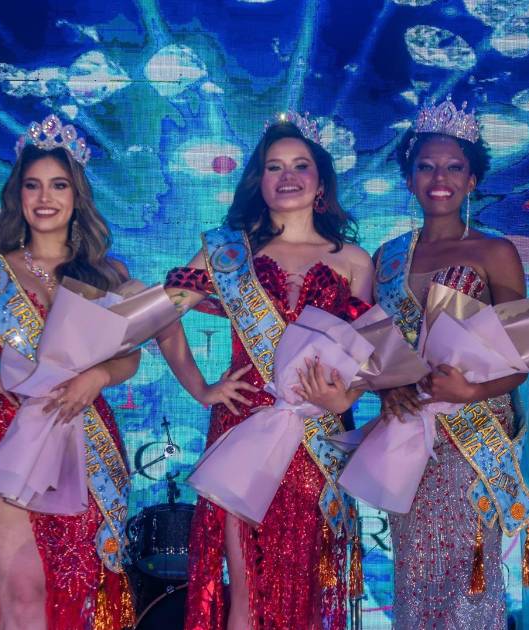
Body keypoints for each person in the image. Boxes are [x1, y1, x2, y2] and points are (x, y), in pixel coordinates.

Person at [158, 113, 374, 630]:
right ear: (259, 181)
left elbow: (366, 355)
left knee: (306, 590)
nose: (288, 176)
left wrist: (345, 399)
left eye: (301, 165)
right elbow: (160, 315)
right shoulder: (229, 252)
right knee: (248, 591)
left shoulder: (353, 261)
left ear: (321, 182)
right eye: (274, 167)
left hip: (317, 434)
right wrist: (201, 388)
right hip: (245, 425)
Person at [0, 115, 139, 629]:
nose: (45, 198)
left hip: (82, 431)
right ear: (17, 196)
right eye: (32, 185)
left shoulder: (108, 273)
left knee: (75, 588)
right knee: (22, 593)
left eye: (59, 185)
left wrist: (97, 377)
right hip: (9, 436)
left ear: (77, 196)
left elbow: (129, 355)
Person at [373, 97, 529, 628]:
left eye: (453, 167)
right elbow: (374, 349)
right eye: (426, 166)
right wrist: (387, 388)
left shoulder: (497, 252)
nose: (439, 178)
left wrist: (471, 392)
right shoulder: (386, 256)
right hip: (407, 438)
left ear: (472, 180)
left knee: (467, 585)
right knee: (414, 580)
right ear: (410, 178)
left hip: (471, 438)